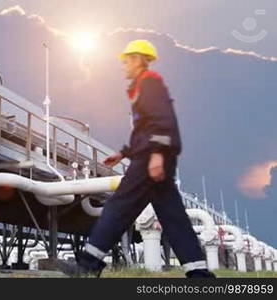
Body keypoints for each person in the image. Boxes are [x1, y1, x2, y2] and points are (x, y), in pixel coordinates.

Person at [59, 40, 216, 278]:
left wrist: (155, 156)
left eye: (127, 60)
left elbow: (161, 121)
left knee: (118, 207)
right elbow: (143, 129)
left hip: (150, 159)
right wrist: (123, 153)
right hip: (154, 156)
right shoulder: (141, 86)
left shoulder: (149, 83)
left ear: (139, 59)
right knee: (174, 218)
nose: (124, 65)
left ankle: (88, 265)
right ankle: (199, 274)